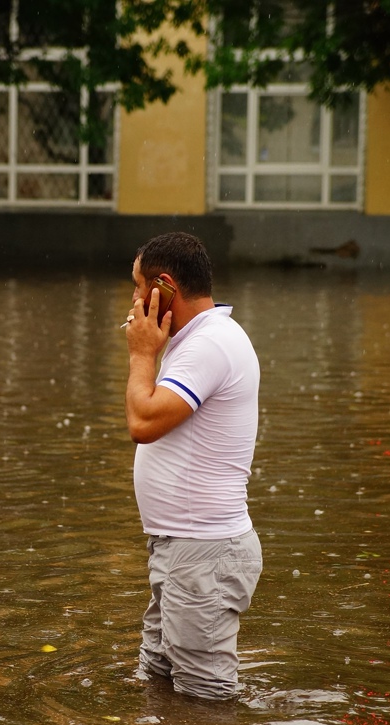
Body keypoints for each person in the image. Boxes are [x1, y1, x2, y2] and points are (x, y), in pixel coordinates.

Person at [122, 232, 262, 700]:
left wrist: (142, 353)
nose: (135, 301)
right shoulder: (198, 340)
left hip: (204, 553)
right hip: (184, 549)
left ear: (165, 287)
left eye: (139, 287)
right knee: (159, 685)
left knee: (205, 702)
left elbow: (143, 421)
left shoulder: (212, 344)